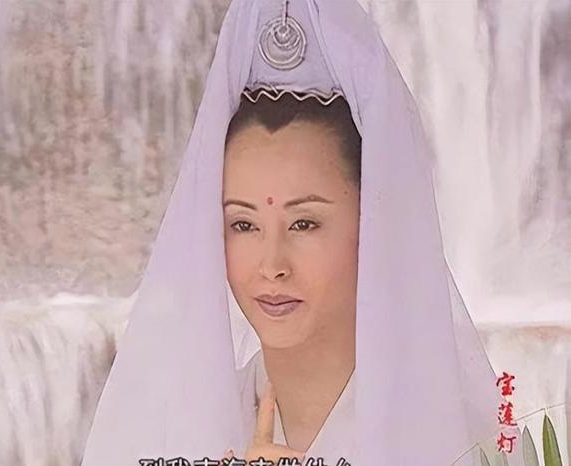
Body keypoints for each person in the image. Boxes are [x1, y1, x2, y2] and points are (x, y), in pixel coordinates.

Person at [80, 1, 524, 465]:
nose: (272, 266)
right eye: (243, 224)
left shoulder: (469, 441)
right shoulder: (173, 432)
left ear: (375, 224)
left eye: (304, 223)